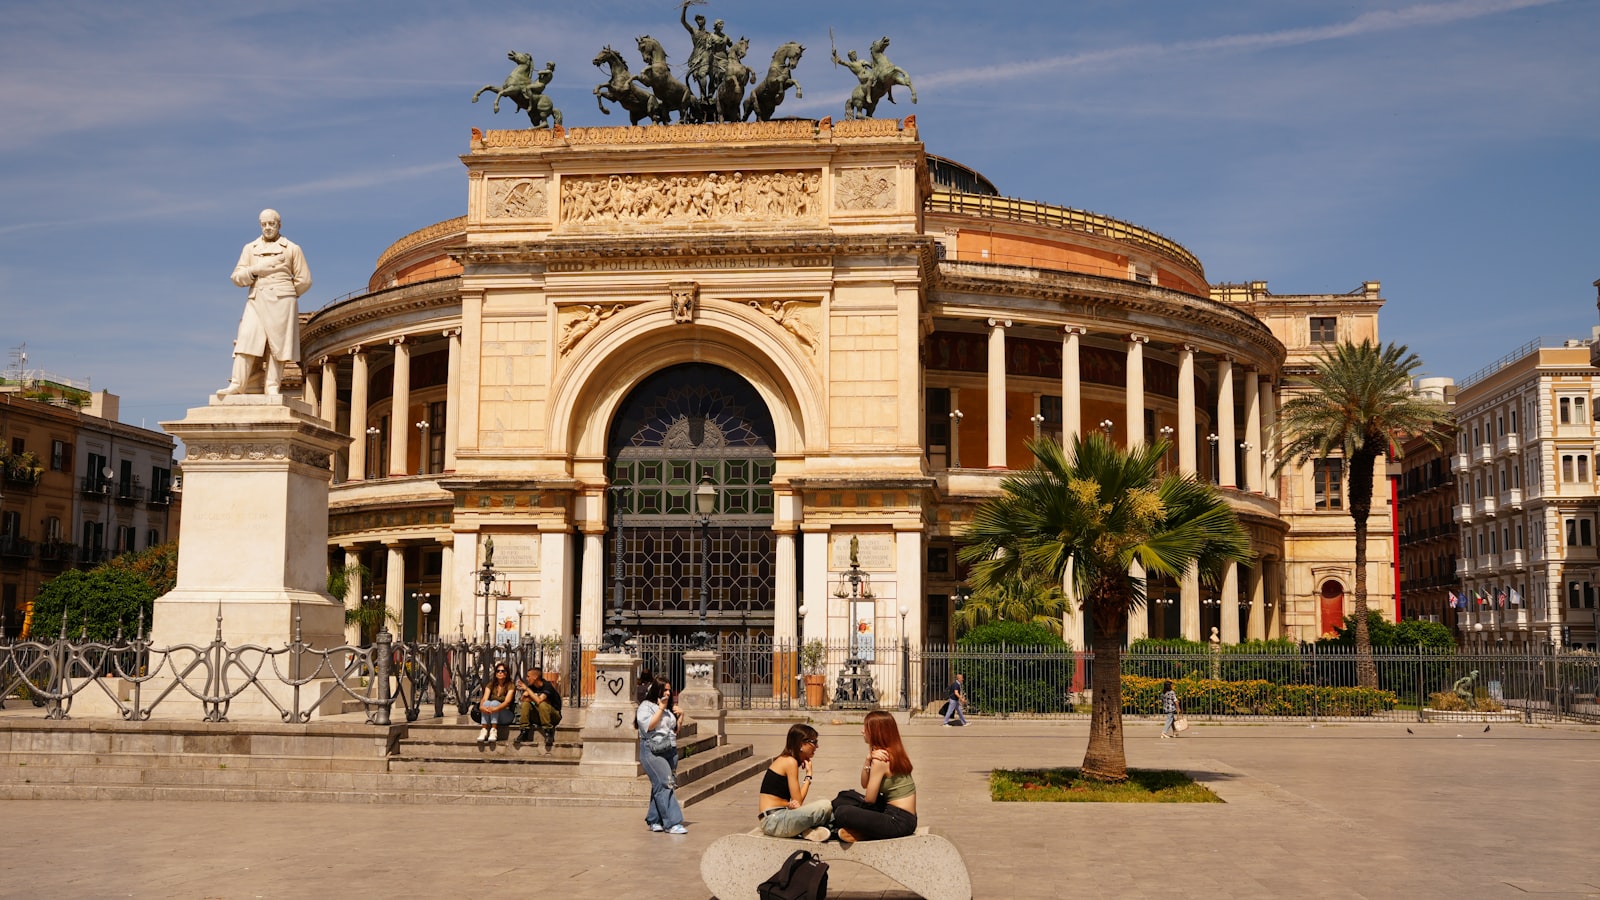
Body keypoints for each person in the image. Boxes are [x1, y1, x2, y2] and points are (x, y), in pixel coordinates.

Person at [220, 209, 311, 397]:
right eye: (264, 224)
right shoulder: (250, 248)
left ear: (279, 225)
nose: (268, 228)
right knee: (246, 341)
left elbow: (304, 279)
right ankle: (237, 384)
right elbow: (236, 278)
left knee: (277, 347)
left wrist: (287, 294)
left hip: (282, 301)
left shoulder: (292, 248)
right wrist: (255, 270)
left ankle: (272, 386)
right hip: (256, 299)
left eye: (272, 224)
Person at [831, 710, 916, 843]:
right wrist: (867, 759)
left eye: (866, 728)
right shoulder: (891, 751)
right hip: (901, 815)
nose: (862, 731)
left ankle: (854, 833)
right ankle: (860, 832)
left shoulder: (881, 760)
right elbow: (864, 784)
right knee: (844, 796)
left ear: (876, 732)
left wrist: (856, 811)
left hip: (898, 821)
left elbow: (870, 799)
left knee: (842, 812)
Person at [758, 724, 832, 840]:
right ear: (802, 744)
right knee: (825, 806)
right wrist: (809, 775)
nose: (817, 746)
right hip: (774, 821)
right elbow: (798, 800)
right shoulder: (789, 761)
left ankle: (808, 831)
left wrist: (789, 805)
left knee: (833, 813)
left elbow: (795, 803)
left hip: (778, 818)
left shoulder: (787, 760)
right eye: (814, 742)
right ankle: (810, 830)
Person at [637, 677, 687, 834]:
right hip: (652, 750)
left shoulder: (667, 708)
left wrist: (681, 717)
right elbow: (649, 726)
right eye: (664, 689)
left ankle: (654, 819)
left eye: (669, 689)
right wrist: (660, 708)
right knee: (666, 783)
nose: (668, 692)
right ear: (656, 690)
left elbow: (674, 731)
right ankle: (672, 823)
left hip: (669, 750)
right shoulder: (646, 707)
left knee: (659, 784)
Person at [516, 666, 563, 747]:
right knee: (526, 705)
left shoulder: (547, 686)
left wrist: (528, 690)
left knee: (543, 705)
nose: (527, 679)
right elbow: (523, 699)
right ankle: (524, 731)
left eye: (528, 676)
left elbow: (539, 700)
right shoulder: (531, 687)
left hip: (553, 716)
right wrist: (529, 694)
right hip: (539, 716)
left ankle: (548, 732)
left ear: (535, 677)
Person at [477, 663, 517, 745]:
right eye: (498, 671)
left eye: (503, 671)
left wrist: (496, 708)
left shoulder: (511, 685)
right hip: (492, 712)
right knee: (487, 703)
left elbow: (507, 702)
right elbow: (484, 698)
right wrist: (481, 707)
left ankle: (493, 730)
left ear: (507, 673)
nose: (500, 673)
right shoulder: (491, 685)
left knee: (494, 703)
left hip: (506, 714)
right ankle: (484, 730)